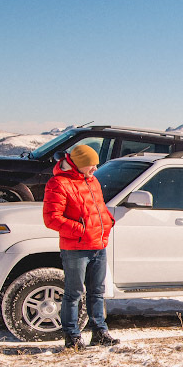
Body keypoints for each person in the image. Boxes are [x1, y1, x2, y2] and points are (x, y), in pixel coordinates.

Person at [42, 144, 118, 351]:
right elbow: (52, 219)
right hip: (76, 248)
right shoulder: (58, 183)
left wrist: (108, 221)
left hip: (98, 244)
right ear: (78, 164)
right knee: (74, 293)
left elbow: (98, 207)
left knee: (97, 292)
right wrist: (81, 230)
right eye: (91, 165)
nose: (95, 169)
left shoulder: (92, 181)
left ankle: (100, 332)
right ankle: (72, 336)